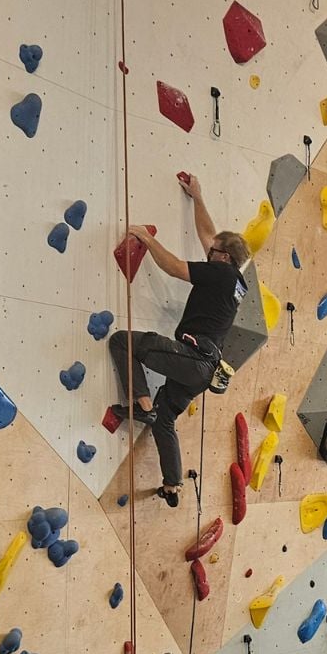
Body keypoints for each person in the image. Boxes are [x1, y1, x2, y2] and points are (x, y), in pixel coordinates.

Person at [107, 174, 248, 507]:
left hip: (193, 358)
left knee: (122, 342)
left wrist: (145, 237)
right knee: (165, 419)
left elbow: (173, 267)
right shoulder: (236, 281)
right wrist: (197, 198)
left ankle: (142, 408)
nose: (208, 251)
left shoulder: (222, 273)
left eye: (213, 252)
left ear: (223, 258)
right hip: (203, 370)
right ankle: (173, 485)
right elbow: (210, 236)